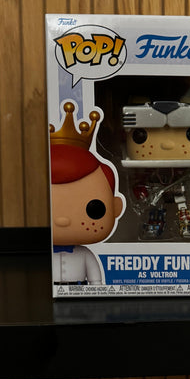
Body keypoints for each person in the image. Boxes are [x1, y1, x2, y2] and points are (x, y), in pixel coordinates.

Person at [50, 101, 124, 285]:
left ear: (116, 207)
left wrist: (97, 292)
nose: (62, 220)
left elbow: (96, 281)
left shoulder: (85, 254)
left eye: (94, 209)